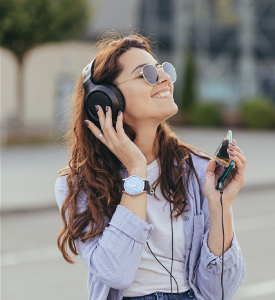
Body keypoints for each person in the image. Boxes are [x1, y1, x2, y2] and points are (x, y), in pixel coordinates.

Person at [55, 32, 246, 300]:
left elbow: (220, 291)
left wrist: (220, 208)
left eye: (162, 69)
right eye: (146, 73)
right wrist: (136, 169)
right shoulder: (77, 184)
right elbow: (115, 273)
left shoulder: (200, 170)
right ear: (106, 100)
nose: (165, 78)